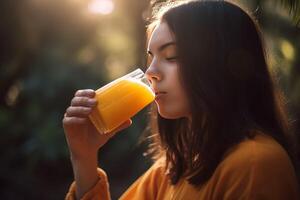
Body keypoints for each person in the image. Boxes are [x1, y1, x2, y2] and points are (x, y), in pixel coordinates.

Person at [63, 0, 300, 199]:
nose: (150, 72)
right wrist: (84, 158)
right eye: (151, 58)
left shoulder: (255, 165)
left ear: (220, 63)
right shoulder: (171, 170)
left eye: (171, 56)